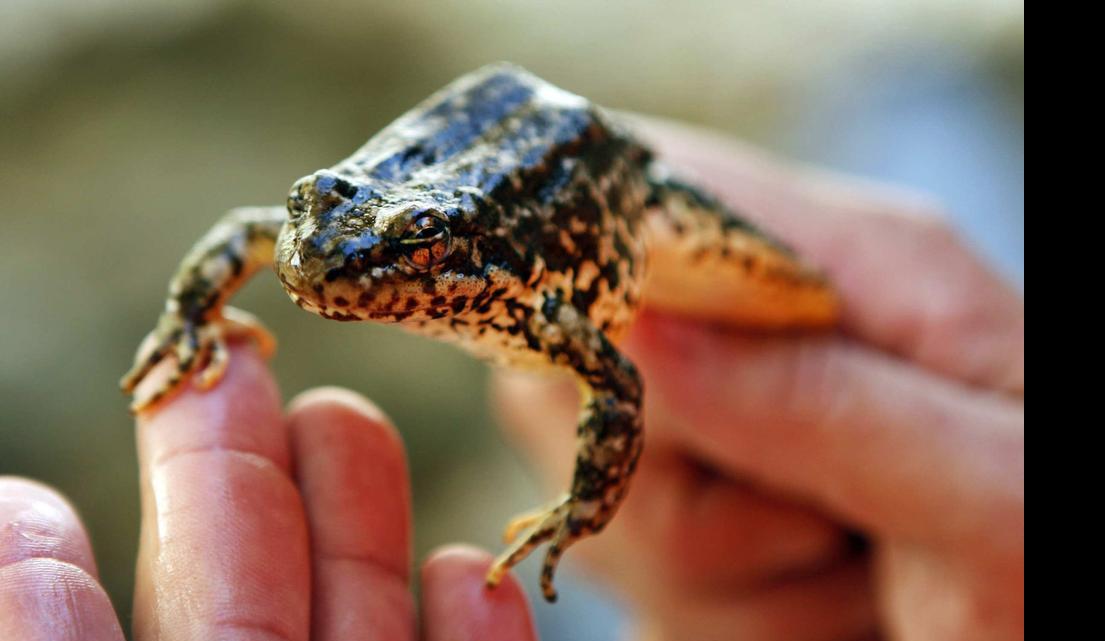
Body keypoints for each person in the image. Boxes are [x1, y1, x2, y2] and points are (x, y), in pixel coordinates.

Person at [0, 119, 1024, 641]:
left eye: (411, 251)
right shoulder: (325, 237)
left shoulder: (522, 291)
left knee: (795, 285)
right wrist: (189, 316)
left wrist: (581, 509)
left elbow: (617, 381)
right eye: (313, 217)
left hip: (602, 167)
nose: (320, 260)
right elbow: (248, 234)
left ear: (450, 250)